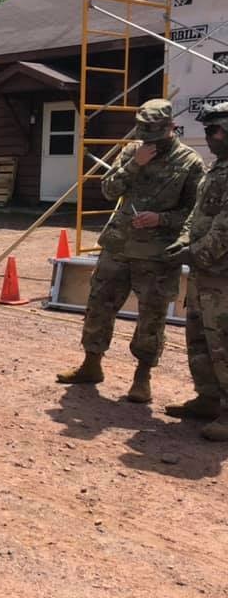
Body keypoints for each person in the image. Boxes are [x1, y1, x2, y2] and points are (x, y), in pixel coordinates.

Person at [56, 99, 204, 402]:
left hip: (158, 254)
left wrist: (161, 219)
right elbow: (109, 190)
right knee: (99, 305)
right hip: (119, 246)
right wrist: (136, 164)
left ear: (171, 128)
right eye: (144, 133)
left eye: (155, 134)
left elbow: (195, 212)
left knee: (151, 316)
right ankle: (91, 364)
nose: (149, 140)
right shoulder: (132, 152)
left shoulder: (190, 162)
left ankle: (142, 377)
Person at [164, 102, 228, 440]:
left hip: (221, 274)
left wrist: (195, 253)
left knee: (223, 343)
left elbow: (224, 228)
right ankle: (207, 398)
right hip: (205, 271)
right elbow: (199, 216)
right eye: (207, 131)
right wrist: (184, 240)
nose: (210, 137)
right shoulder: (217, 169)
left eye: (215, 130)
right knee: (200, 339)